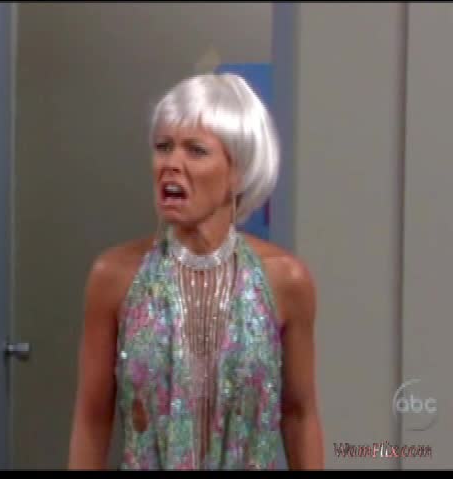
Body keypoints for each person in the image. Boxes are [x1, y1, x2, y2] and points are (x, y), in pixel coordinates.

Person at [68, 73, 324, 470]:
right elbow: (91, 417)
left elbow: (300, 414)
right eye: (163, 147)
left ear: (238, 172)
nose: (171, 164)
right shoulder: (115, 276)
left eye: (195, 150)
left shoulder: (285, 280)